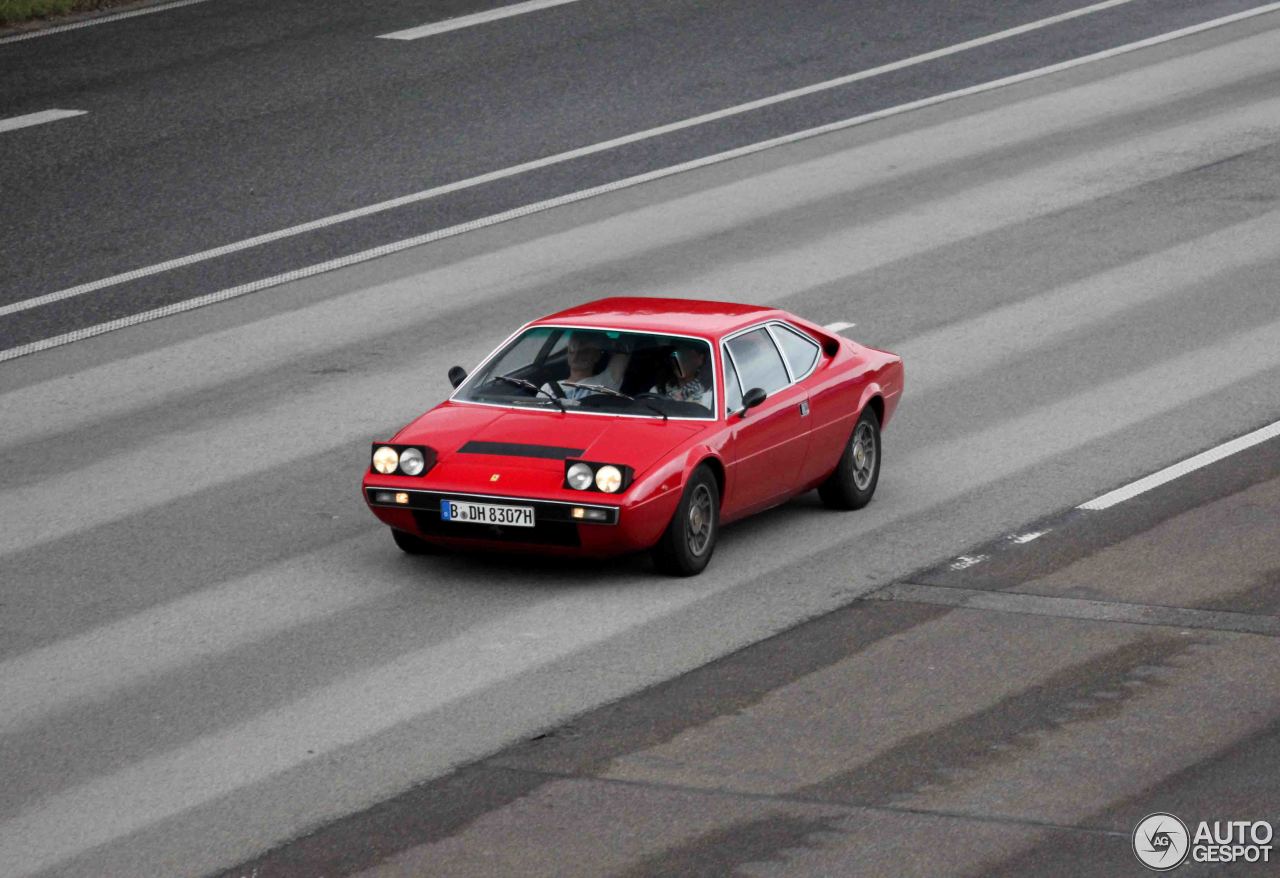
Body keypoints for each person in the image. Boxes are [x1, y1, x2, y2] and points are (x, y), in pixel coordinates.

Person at [543, 330, 631, 400]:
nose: (577, 354)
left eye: (585, 351)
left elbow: (625, 347)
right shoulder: (548, 388)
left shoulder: (604, 382)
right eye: (573, 349)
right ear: (568, 354)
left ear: (597, 356)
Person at [652, 340, 711, 408]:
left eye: (686, 355)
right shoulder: (657, 391)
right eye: (675, 356)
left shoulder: (708, 395)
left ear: (700, 359)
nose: (679, 360)